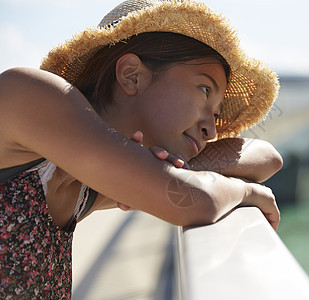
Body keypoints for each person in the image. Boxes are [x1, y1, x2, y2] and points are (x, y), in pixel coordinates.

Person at [0, 0, 281, 298]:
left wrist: (169, 174)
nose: (211, 129)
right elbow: (198, 202)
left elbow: (267, 158)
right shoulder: (24, 95)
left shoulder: (84, 187)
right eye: (204, 90)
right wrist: (246, 192)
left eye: (216, 112)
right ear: (132, 75)